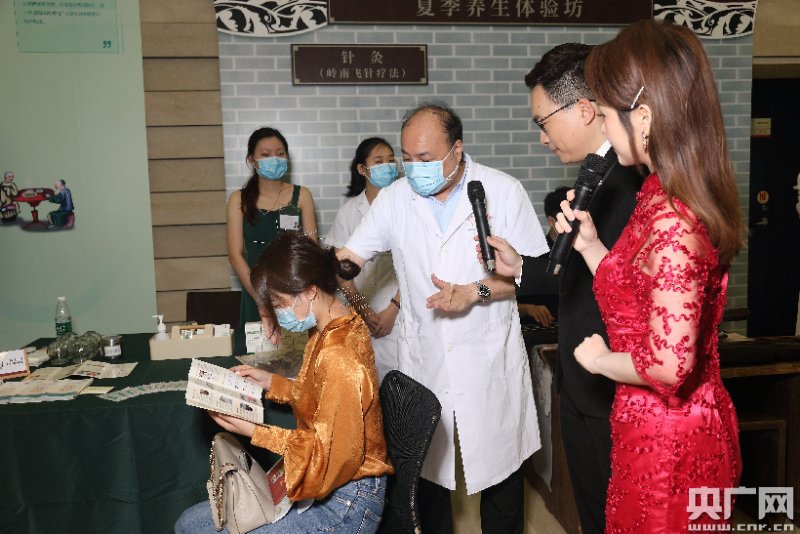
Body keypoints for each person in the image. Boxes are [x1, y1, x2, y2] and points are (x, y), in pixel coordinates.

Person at [496, 21, 743, 532]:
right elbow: (634, 286)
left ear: (644, 117)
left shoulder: (671, 216)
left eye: (607, 114)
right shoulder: (655, 192)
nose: (604, 129)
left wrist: (599, 360)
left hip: (667, 434)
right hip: (638, 418)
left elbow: (670, 366)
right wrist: (589, 246)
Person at [336, 102, 549, 534]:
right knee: (428, 484)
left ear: (457, 149)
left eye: (426, 158)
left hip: (489, 361)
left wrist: (474, 292)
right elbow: (351, 257)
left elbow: (532, 277)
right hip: (426, 363)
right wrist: (320, 268)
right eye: (407, 158)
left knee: (501, 479)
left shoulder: (502, 190)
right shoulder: (395, 199)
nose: (415, 169)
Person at [495, 43, 644, 534]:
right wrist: (521, 269)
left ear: (583, 109)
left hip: (616, 383)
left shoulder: (633, 181)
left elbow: (629, 288)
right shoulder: (595, 173)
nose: (542, 138)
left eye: (543, 122)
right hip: (582, 377)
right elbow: (576, 268)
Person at [176, 232, 393, 534]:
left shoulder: (339, 354)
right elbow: (326, 401)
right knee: (189, 523)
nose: (278, 314)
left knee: (194, 528)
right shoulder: (332, 327)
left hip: (346, 502)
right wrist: (273, 383)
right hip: (332, 482)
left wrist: (255, 432)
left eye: (279, 303)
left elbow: (328, 455)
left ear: (309, 291)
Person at [227, 127, 318, 354]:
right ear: (251, 160)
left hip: (294, 294)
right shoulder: (238, 199)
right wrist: (262, 300)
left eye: (280, 153)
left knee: (296, 360)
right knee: (256, 358)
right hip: (255, 293)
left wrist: (296, 294)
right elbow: (235, 254)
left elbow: (312, 249)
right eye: (266, 154)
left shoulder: (302, 196)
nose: (274, 159)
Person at [326, 137, 401, 380]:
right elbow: (339, 271)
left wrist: (394, 308)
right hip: (359, 313)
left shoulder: (406, 206)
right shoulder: (348, 213)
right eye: (378, 161)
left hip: (399, 313)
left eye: (391, 160)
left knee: (399, 386)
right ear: (362, 169)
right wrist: (363, 308)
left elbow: (417, 266)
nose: (387, 166)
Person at [517, 186, 570, 327]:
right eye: (569, 220)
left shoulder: (587, 252)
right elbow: (507, 304)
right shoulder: (533, 255)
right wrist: (528, 308)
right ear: (552, 221)